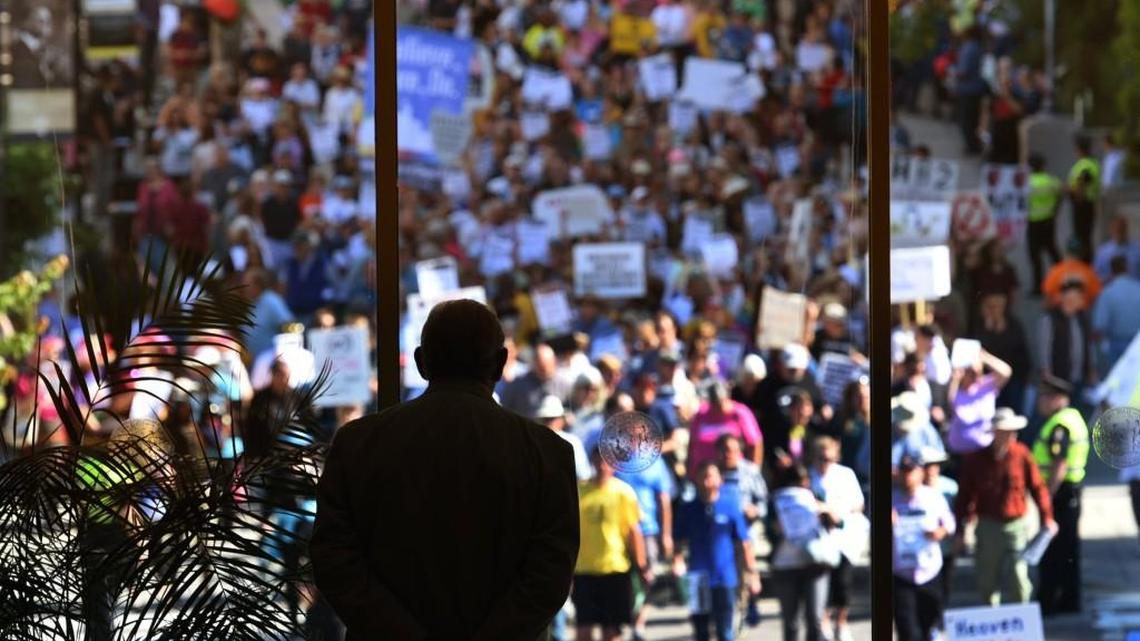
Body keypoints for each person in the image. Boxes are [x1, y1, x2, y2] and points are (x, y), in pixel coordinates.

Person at [311, 300, 580, 641]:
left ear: (422, 362)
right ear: (499, 364)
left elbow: (334, 559)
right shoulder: (547, 452)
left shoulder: (357, 444)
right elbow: (550, 574)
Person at [954, 408, 1057, 606]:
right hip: (987, 526)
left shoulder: (1022, 454)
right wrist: (960, 529)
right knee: (987, 581)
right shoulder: (976, 460)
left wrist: (1047, 517)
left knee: (1018, 576)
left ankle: (1022, 623)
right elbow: (964, 496)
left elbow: (1038, 488)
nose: (1010, 435)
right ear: (994, 432)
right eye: (1005, 431)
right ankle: (994, 624)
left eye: (1013, 431)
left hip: (1016, 526)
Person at [672, 461, 762, 641]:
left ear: (720, 480)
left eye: (711, 476)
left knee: (725, 631)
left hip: (724, 578)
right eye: (703, 477)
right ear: (696, 480)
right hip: (698, 578)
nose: (707, 481)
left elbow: (744, 543)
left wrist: (753, 575)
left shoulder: (730, 506)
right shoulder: (688, 509)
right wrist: (678, 560)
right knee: (701, 632)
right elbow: (678, 541)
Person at [574, 446, 651, 641]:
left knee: (612, 631)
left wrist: (641, 565)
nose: (601, 466)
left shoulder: (623, 492)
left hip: (615, 569)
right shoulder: (579, 491)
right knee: (583, 630)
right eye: (597, 461)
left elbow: (634, 532)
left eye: (605, 461)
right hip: (584, 570)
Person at [1032, 375, 1091, 616]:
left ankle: (1051, 601)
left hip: (1061, 494)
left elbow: (1059, 463)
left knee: (1055, 552)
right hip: (1070, 493)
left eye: (1045, 396)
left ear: (1057, 398)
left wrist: (1046, 495)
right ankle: (1069, 599)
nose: (1040, 402)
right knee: (1068, 550)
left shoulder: (1060, 425)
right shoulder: (1072, 417)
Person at [892, 454, 955, 641]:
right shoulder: (889, 499)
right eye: (903, 472)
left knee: (930, 625)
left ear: (920, 473)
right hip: (901, 573)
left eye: (911, 472)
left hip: (929, 571)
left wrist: (940, 532)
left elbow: (950, 524)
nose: (907, 477)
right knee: (907, 629)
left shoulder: (932, 497)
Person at [809, 435, 865, 641]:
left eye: (830, 459)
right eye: (821, 459)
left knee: (843, 583)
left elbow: (859, 504)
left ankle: (841, 622)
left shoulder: (845, 475)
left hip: (843, 539)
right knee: (822, 583)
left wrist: (838, 512)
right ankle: (823, 622)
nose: (825, 464)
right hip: (817, 540)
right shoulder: (807, 477)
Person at [615, 451, 674, 641]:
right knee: (624, 579)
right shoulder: (612, 459)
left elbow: (664, 500)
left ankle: (639, 622)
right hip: (618, 531)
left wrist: (666, 534)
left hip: (648, 530)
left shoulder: (655, 462)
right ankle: (627, 617)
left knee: (648, 577)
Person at [770, 463, 831, 641]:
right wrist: (778, 526)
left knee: (815, 618)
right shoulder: (776, 501)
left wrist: (825, 510)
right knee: (791, 622)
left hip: (815, 562)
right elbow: (770, 529)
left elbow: (838, 523)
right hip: (785, 564)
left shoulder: (815, 496)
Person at [687, 379, 763, 480]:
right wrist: (690, 472)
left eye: (720, 402)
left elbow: (755, 444)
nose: (717, 406)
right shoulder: (701, 414)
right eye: (714, 403)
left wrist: (753, 473)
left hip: (733, 476)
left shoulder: (740, 413)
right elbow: (692, 444)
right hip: (704, 476)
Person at [946, 348, 1012, 456]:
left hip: (983, 451)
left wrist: (984, 357)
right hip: (958, 454)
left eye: (978, 372)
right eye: (971, 372)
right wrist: (955, 379)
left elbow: (1006, 372)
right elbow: (950, 404)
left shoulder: (986, 387)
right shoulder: (957, 391)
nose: (975, 376)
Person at [1039, 279, 1098, 397]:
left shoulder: (1083, 318)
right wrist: (1046, 372)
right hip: (1059, 379)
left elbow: (1089, 345)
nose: (1080, 300)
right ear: (1064, 298)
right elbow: (1044, 347)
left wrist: (1092, 369)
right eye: (1075, 296)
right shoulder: (1051, 319)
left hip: (1081, 377)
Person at [1093, 255, 1140, 371]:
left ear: (1111, 271)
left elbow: (1100, 325)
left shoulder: (1107, 293)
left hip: (1117, 346)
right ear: (1128, 269)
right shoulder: (1138, 288)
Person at [1026, 153, 1062, 290]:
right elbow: (1060, 195)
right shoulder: (1051, 181)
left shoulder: (1027, 183)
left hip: (1033, 222)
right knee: (1052, 250)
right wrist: (1054, 211)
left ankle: (1037, 285)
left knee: (1035, 255)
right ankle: (1062, 277)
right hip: (1048, 220)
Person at [536, 394, 593, 482]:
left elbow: (583, 476)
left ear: (562, 419)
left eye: (552, 418)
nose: (549, 423)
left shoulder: (572, 442)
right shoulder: (533, 441)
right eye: (546, 419)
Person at [1041, 237, 1103, 309]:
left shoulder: (1055, 271)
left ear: (1066, 252)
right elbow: (1097, 299)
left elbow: (1047, 300)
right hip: (1082, 315)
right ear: (1082, 253)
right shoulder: (1090, 273)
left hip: (1060, 316)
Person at [1068, 136, 1102, 261]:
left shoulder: (1085, 165)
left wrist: (1069, 190)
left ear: (1079, 149)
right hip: (1088, 204)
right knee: (1086, 237)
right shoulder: (1093, 163)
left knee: (1082, 238)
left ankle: (1084, 264)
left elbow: (1081, 185)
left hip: (1082, 205)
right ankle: (1086, 262)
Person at [1093, 216, 1140, 282]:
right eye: (1116, 229)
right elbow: (1096, 275)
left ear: (1126, 229)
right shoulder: (1103, 252)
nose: (1119, 232)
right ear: (1111, 230)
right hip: (1112, 289)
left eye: (1121, 229)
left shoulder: (1137, 249)